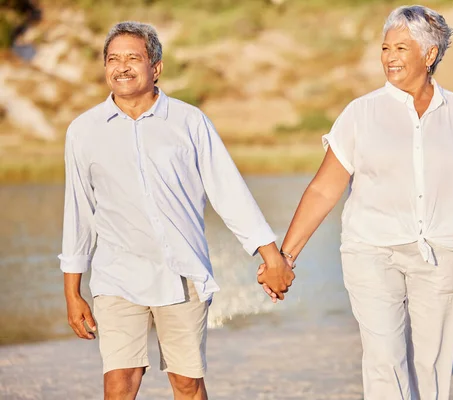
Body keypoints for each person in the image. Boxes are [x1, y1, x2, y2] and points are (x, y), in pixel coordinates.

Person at [258, 5, 453, 400]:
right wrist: (284, 258)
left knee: (432, 365)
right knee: (385, 359)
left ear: (430, 54)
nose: (389, 58)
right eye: (386, 48)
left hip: (442, 252)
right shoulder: (361, 113)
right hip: (371, 250)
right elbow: (323, 189)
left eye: (401, 48)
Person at [59, 21, 294, 400]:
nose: (122, 67)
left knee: (186, 384)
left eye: (133, 58)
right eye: (113, 59)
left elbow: (228, 191)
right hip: (117, 276)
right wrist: (72, 292)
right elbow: (78, 212)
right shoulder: (83, 130)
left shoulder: (190, 122)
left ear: (156, 67)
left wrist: (271, 255)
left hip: (182, 273)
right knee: (119, 382)